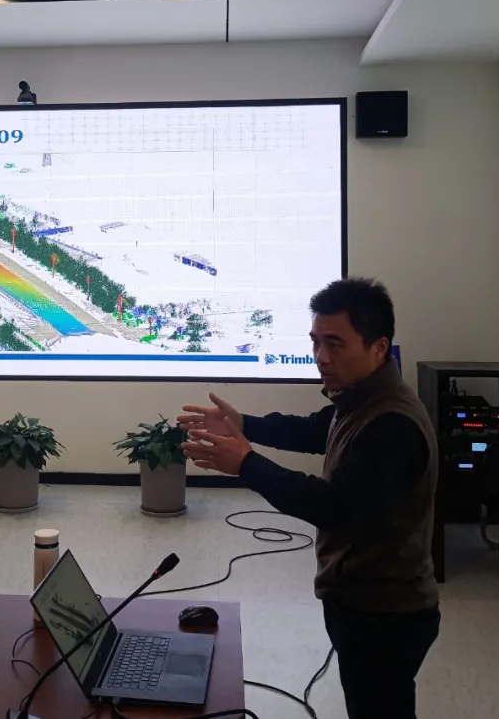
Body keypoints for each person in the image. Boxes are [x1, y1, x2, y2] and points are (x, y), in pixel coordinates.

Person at [177, 278, 440, 719]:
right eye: (316, 342)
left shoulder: (392, 424)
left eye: (335, 344)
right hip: (367, 602)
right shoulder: (361, 399)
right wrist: (245, 424)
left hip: (384, 613)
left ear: (379, 347)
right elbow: (314, 429)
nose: (321, 357)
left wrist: (246, 463)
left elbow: (332, 506)